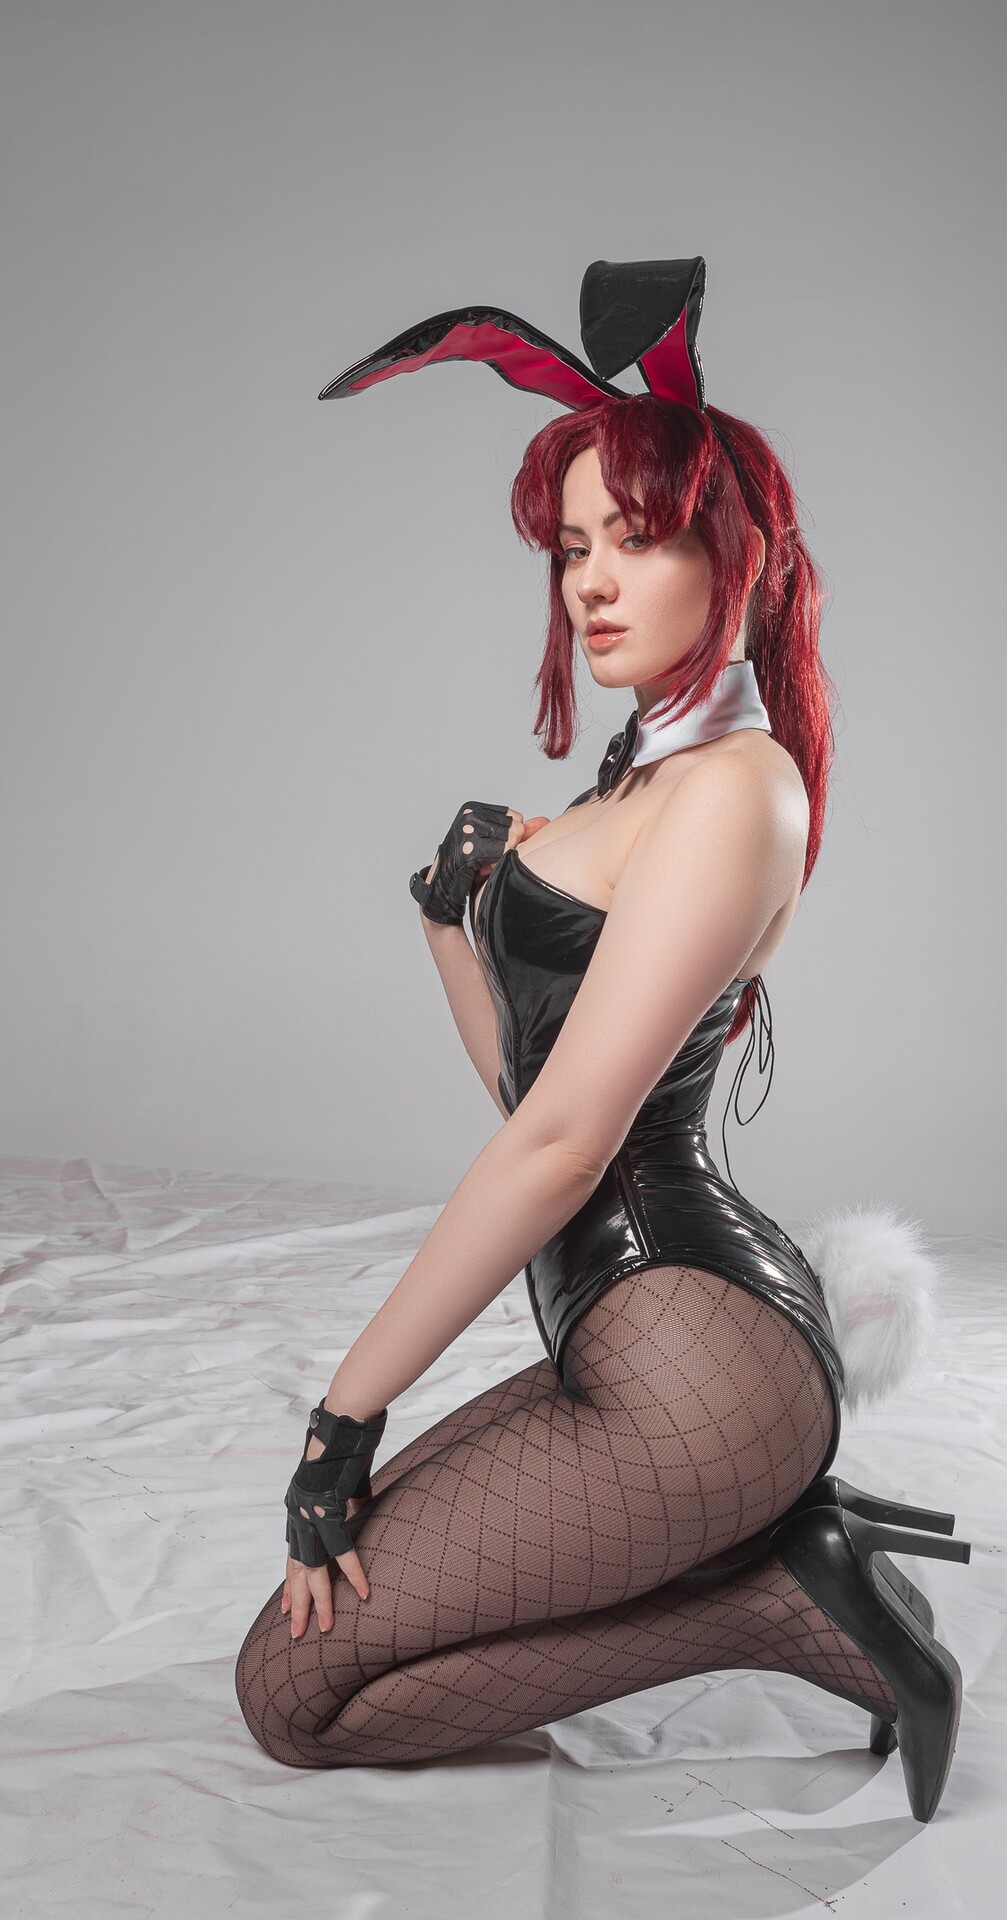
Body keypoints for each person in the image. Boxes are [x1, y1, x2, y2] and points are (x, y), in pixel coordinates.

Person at [235, 259, 970, 1823]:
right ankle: (792, 1575)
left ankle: (790, 1603)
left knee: (295, 1704)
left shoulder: (738, 790)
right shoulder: (644, 787)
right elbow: (537, 1102)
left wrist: (344, 1413)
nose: (589, 583)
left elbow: (566, 1146)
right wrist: (451, 925)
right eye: (574, 547)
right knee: (295, 1686)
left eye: (635, 539)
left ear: (735, 556)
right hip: (626, 1345)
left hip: (700, 1372)